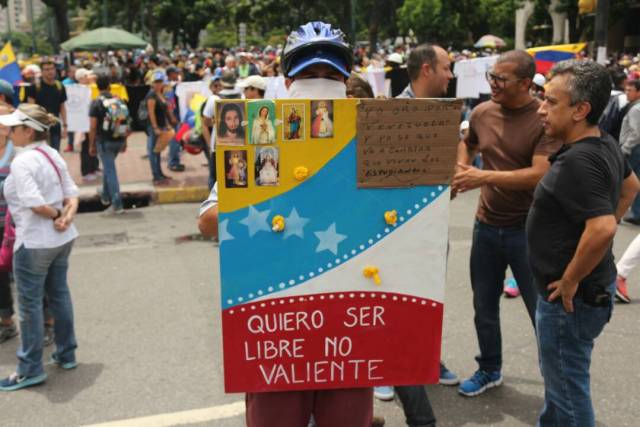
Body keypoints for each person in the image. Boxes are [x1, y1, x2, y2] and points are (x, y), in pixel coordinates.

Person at [528, 59, 640, 427]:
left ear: (581, 110)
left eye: (551, 102)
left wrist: (572, 277)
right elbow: (631, 187)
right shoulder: (602, 141)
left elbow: (604, 228)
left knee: (569, 393)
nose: (542, 109)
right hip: (585, 292)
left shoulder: (581, 159)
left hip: (569, 300)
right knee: (561, 383)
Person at [452, 50, 561, 397]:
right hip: (485, 226)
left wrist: (481, 175)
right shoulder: (482, 112)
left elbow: (539, 175)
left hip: (528, 230)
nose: (494, 84)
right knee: (483, 305)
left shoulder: (543, 117)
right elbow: (466, 144)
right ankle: (489, 368)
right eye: (491, 77)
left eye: (502, 79)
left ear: (527, 83)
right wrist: (461, 169)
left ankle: (558, 381)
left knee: (540, 311)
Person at [374, 43, 455, 427]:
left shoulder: (445, 115)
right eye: (446, 68)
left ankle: (426, 360)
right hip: (396, 240)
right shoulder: (388, 116)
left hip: (432, 235)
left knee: (424, 309)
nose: (451, 75)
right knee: (397, 322)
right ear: (427, 69)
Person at [0, 104, 80, 391]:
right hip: (61, 238)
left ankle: (30, 367)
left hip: (34, 241)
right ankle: (66, 352)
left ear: (28, 130)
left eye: (14, 128)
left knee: (30, 305)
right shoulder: (52, 153)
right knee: (59, 294)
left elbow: (35, 204)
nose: (9, 133)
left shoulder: (23, 162)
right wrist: (66, 217)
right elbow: (72, 193)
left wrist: (59, 216)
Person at [88, 75, 127, 214]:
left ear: (97, 87)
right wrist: (124, 141)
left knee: (110, 171)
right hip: (118, 139)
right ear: (109, 86)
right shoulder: (118, 100)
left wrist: (91, 145)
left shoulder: (96, 103)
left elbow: (93, 127)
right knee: (108, 167)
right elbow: (124, 122)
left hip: (104, 141)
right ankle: (105, 195)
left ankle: (117, 204)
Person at [0, 102, 16, 344]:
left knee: (30, 275)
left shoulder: (19, 152)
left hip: (16, 223)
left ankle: (48, 322)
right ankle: (6, 320)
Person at [26, 60, 68, 152]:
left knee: (55, 154)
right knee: (40, 155)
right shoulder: (34, 87)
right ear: (42, 72)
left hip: (55, 127)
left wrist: (65, 126)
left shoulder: (60, 86)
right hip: (39, 129)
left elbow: (62, 107)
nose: (50, 71)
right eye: (47, 69)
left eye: (52, 68)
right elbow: (30, 109)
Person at [145, 70, 174, 184]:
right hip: (154, 127)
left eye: (160, 81)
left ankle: (160, 173)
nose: (158, 84)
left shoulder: (160, 93)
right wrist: (155, 127)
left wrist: (166, 124)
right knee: (153, 151)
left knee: (158, 151)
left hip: (161, 126)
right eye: (156, 82)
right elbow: (151, 112)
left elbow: (163, 111)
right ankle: (156, 175)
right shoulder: (151, 95)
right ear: (152, 83)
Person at [618, 80, 640, 225]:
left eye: (630, 90)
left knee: (623, 181)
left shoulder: (636, 109)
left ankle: (617, 212)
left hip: (633, 149)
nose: (627, 93)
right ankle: (636, 213)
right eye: (626, 90)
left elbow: (636, 133)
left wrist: (625, 149)